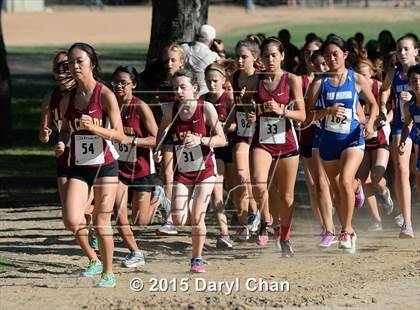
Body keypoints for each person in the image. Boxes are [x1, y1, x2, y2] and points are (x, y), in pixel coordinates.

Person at [55, 42, 126, 287]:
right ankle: (93, 260)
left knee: (101, 221)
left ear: (92, 64)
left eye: (79, 61)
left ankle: (108, 272)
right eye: (71, 62)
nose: (74, 66)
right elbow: (64, 130)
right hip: (79, 165)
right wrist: (62, 143)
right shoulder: (68, 100)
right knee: (72, 220)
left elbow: (119, 135)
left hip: (105, 166)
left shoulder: (105, 95)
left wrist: (94, 127)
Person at [307, 35, 379, 254]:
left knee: (345, 180)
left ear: (345, 55)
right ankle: (357, 189)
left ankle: (346, 230)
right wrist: (326, 112)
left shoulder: (356, 79)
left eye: (335, 54)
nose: (331, 58)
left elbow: (373, 104)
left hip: (352, 139)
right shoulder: (319, 83)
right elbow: (308, 116)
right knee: (339, 189)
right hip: (328, 141)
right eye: (327, 55)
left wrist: (370, 123)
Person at [154, 69, 226, 272]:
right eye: (175, 87)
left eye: (182, 87)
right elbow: (162, 129)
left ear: (194, 88)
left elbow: (222, 140)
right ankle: (165, 203)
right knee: (178, 218)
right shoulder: (170, 109)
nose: (178, 91)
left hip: (205, 170)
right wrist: (158, 149)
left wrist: (201, 140)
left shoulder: (206, 108)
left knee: (197, 215)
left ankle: (196, 258)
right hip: (183, 171)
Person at [244, 37, 305, 256]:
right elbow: (247, 110)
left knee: (286, 195)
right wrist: (252, 114)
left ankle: (285, 237)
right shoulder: (254, 81)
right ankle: (266, 220)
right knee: (260, 185)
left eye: (274, 55)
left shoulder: (291, 80)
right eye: (266, 55)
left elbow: (303, 115)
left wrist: (283, 111)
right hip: (262, 142)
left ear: (282, 56)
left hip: (286, 142)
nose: (270, 59)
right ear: (260, 57)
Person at [111, 65, 158, 267]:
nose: (119, 86)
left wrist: (132, 141)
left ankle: (158, 198)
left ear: (134, 85)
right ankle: (135, 252)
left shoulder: (140, 107)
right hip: (117, 168)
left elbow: (157, 138)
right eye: (116, 82)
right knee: (118, 210)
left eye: (124, 82)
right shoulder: (109, 105)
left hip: (141, 168)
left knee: (141, 221)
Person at [379, 35, 418, 238]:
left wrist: (414, 97)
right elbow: (384, 90)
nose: (402, 53)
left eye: (406, 49)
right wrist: (383, 109)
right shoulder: (393, 73)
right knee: (401, 170)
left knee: (416, 172)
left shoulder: (419, 73)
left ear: (416, 51)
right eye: (399, 49)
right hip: (400, 126)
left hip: (418, 124)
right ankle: (407, 223)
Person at [300, 46, 337, 247]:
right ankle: (327, 228)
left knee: (339, 183)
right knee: (317, 185)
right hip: (314, 136)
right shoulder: (309, 83)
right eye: (317, 65)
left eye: (325, 63)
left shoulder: (342, 81)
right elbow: (306, 114)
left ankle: (356, 189)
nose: (322, 67)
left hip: (340, 136)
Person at [354, 54, 394, 232]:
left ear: (372, 73)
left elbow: (393, 109)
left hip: (379, 138)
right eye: (359, 74)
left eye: (365, 74)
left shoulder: (379, 87)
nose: (362, 78)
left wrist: (386, 120)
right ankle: (376, 220)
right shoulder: (353, 90)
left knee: (377, 178)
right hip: (362, 139)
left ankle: (385, 193)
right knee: (363, 181)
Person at [230, 38, 261, 241]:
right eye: (238, 57)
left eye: (244, 57)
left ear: (255, 58)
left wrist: (255, 113)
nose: (240, 61)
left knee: (260, 181)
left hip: (262, 135)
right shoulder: (233, 78)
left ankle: (263, 218)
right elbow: (233, 107)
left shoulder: (261, 78)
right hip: (242, 133)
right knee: (241, 176)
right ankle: (249, 218)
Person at [201, 62, 235, 248]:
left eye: (215, 81)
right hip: (214, 150)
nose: (211, 85)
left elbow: (240, 124)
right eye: (208, 81)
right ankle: (224, 232)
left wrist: (223, 128)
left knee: (239, 190)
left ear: (223, 81)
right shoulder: (203, 100)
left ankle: (251, 223)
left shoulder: (229, 98)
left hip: (232, 146)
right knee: (216, 191)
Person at [155, 44, 185, 236]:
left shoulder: (188, 84)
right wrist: (157, 145)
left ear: (181, 62)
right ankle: (171, 217)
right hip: (169, 137)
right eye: (166, 60)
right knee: (168, 175)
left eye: (173, 60)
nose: (169, 63)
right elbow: (163, 121)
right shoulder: (162, 87)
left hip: (188, 138)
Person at [39, 51, 76, 204]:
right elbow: (43, 135)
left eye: (65, 67)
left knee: (82, 205)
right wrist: (44, 134)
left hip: (89, 156)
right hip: (64, 153)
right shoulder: (50, 98)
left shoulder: (85, 93)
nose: (61, 72)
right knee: (67, 204)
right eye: (57, 68)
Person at [399, 64, 420, 236]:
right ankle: (409, 225)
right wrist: (404, 140)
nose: (418, 83)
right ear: (410, 84)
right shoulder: (409, 106)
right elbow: (407, 124)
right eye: (414, 80)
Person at [182, 24, 221, 95]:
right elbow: (223, 71)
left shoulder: (183, 48)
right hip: (203, 95)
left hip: (184, 92)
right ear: (212, 42)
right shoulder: (213, 56)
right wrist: (221, 52)